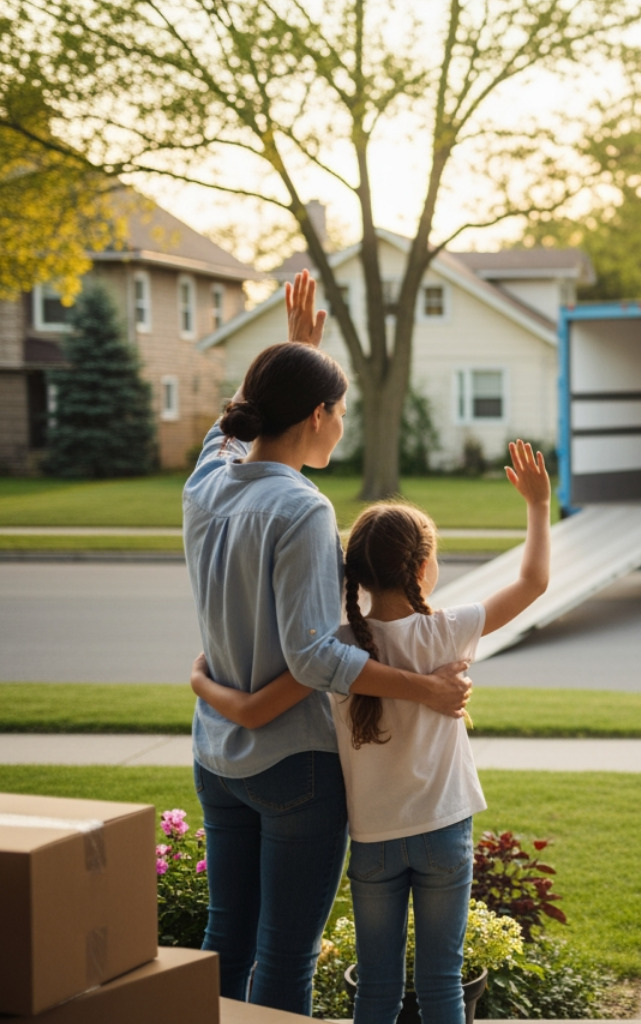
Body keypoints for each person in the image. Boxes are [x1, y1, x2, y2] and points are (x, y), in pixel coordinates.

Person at [183, 270, 472, 1014]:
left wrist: (295, 350)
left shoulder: (205, 483)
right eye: (338, 411)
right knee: (284, 956)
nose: (342, 426)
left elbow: (228, 431)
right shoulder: (303, 510)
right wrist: (428, 688)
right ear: (317, 415)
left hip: (215, 755)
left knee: (226, 940)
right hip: (294, 770)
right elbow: (315, 656)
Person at [193, 439, 552, 1024]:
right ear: (421, 567)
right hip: (443, 832)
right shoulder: (449, 632)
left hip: (375, 841)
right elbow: (534, 583)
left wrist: (201, 683)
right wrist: (538, 505)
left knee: (376, 991)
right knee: (441, 984)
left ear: (356, 570)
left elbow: (256, 707)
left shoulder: (332, 649)